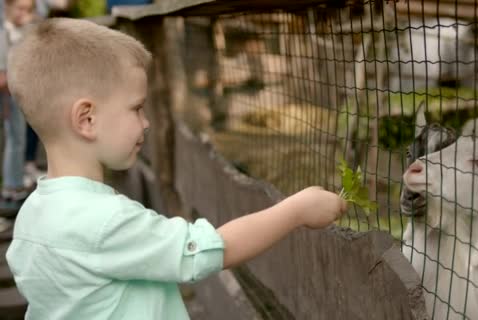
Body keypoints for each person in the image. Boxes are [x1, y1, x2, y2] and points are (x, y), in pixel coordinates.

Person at [5, 18, 347, 320]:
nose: (147, 122)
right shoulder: (104, 222)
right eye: (136, 108)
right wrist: (297, 210)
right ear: (87, 119)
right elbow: (204, 251)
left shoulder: (32, 216)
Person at [0, 0, 35, 210]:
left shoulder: (20, 30)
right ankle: (12, 186)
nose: (25, 13)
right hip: (8, 93)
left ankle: (14, 183)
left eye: (29, 9)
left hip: (14, 91)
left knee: (17, 140)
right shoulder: (4, 32)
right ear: (7, 7)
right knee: (15, 140)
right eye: (20, 8)